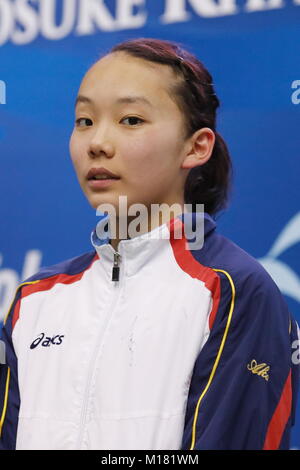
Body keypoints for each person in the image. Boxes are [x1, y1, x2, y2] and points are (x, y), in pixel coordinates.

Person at [0, 37, 299, 450]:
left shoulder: (232, 290)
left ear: (197, 147)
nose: (97, 143)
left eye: (131, 120)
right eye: (84, 120)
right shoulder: (33, 301)